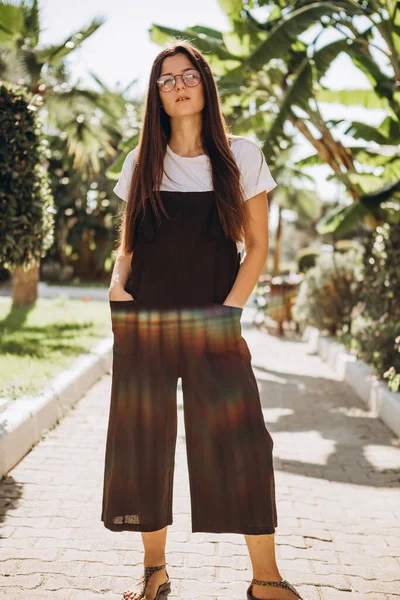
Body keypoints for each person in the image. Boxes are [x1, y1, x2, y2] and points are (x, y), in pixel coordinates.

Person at [101, 39, 304, 600]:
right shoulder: (143, 160)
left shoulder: (242, 155)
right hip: (145, 317)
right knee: (144, 442)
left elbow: (257, 246)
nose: (178, 85)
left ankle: (266, 579)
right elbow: (130, 240)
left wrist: (231, 310)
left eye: (187, 74)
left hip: (215, 319)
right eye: (166, 80)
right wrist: (118, 285)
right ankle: (154, 571)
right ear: (156, 94)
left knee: (241, 442)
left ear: (205, 83)